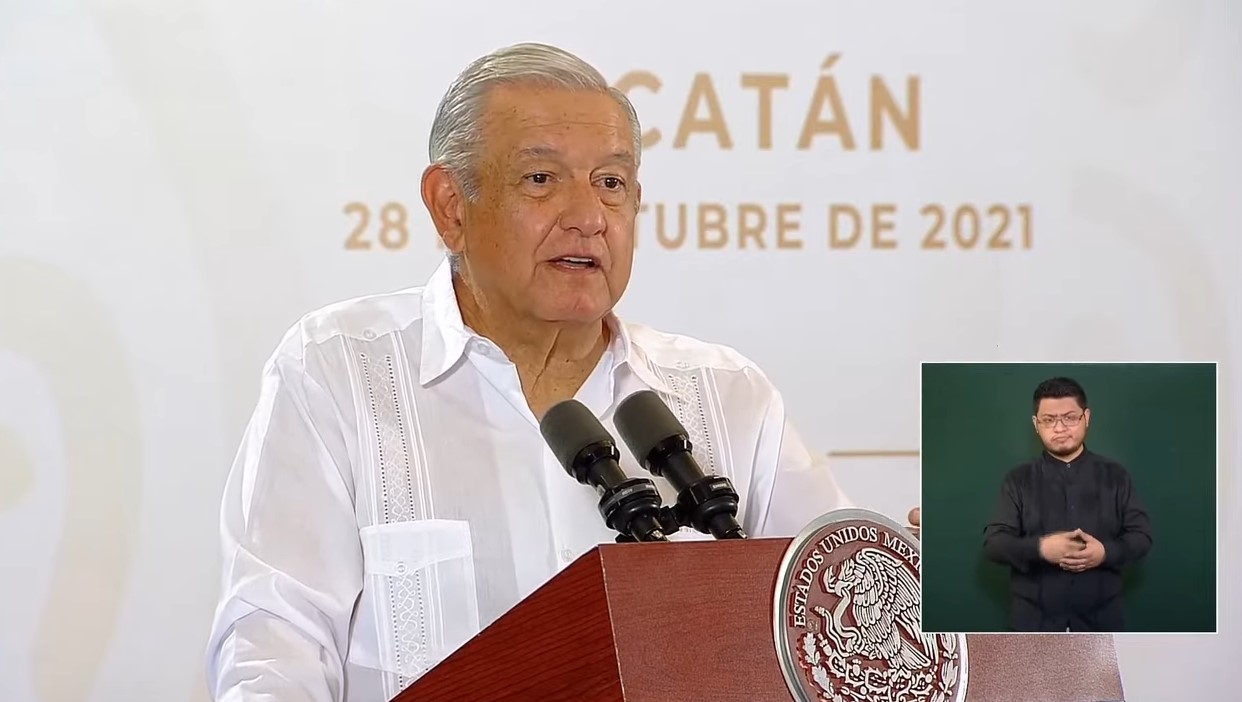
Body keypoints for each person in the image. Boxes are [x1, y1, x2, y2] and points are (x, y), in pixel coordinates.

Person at [204, 42, 920, 702]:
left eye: (611, 183)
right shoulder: (338, 374)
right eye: (541, 179)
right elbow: (272, 648)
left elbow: (834, 627)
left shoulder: (728, 396)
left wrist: (936, 590)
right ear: (451, 208)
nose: (588, 216)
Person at [982, 376, 1153, 632]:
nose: (1059, 428)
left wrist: (1104, 553)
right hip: (1032, 624)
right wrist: (1041, 548)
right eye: (1049, 420)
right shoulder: (1017, 480)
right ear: (1036, 424)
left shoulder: (1116, 475)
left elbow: (1141, 537)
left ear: (1086, 417)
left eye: (1070, 418)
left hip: (1101, 623)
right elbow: (994, 545)